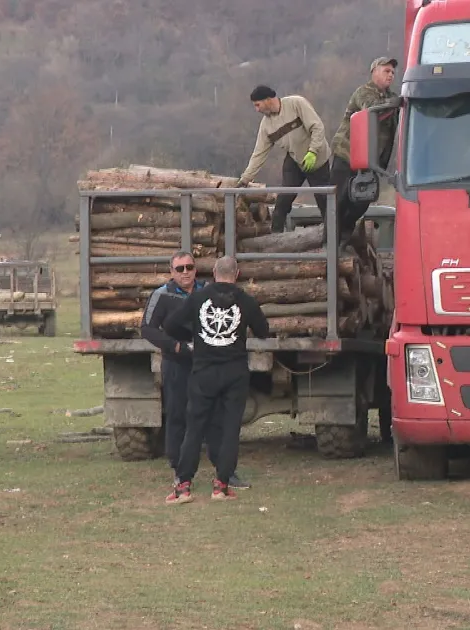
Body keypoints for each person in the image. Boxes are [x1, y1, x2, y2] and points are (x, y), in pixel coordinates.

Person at [161, 256, 270, 504]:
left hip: (203, 372)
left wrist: (195, 336)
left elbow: (170, 324)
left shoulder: (198, 298)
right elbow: (264, 331)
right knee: (230, 429)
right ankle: (221, 486)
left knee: (194, 428)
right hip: (235, 372)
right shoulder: (245, 301)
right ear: (238, 274)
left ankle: (184, 487)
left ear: (213, 272)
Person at [140, 251, 249, 490]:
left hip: (208, 364)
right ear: (171, 272)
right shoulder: (162, 295)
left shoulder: (207, 292)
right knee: (178, 414)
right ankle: (180, 472)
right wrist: (175, 346)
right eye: (180, 269)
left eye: (189, 267)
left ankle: (225, 471)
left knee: (217, 417)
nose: (185, 272)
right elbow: (147, 328)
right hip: (177, 363)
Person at [236, 85, 333, 233]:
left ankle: (332, 239)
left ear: (268, 100)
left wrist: (313, 151)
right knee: (283, 201)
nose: (257, 109)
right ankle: (276, 239)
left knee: (324, 202)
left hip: (317, 159)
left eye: (258, 105)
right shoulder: (266, 125)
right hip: (294, 160)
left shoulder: (296, 104)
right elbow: (259, 153)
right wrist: (245, 180)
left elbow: (317, 127)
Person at [330, 57, 401, 240]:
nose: (391, 75)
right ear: (374, 72)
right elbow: (371, 109)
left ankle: (344, 235)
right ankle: (329, 243)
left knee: (363, 200)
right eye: (386, 71)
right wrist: (395, 104)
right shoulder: (363, 92)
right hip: (347, 153)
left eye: (393, 72)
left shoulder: (391, 98)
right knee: (339, 200)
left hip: (369, 160)